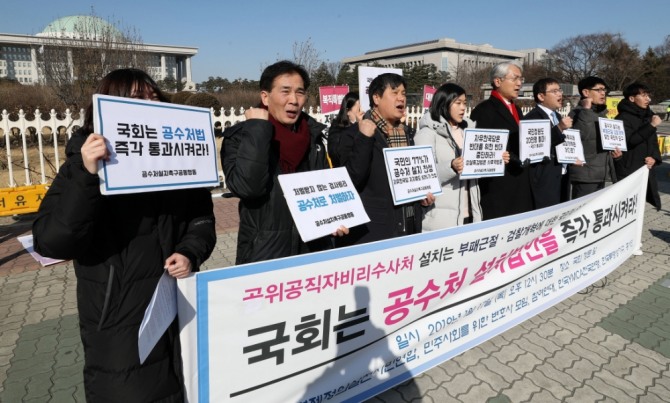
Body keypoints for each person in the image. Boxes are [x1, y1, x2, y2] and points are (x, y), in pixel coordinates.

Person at [32, 68, 216, 402]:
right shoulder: (82, 165)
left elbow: (201, 220)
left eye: (152, 95)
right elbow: (53, 241)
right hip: (118, 315)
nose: (149, 102)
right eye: (135, 97)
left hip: (176, 301)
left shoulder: (180, 160)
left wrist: (190, 251)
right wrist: (88, 175)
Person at [221, 60, 347, 264]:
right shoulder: (241, 137)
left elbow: (325, 190)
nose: (294, 100)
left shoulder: (314, 137)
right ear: (265, 96)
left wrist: (334, 219)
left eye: (300, 92)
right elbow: (247, 188)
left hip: (313, 250)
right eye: (285, 91)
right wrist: (257, 130)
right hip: (264, 252)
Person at [332, 73, 435, 245]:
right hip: (372, 233)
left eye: (403, 93)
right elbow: (350, 181)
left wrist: (422, 198)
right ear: (376, 98)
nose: (401, 98)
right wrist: (364, 139)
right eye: (394, 93)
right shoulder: (353, 134)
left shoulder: (409, 133)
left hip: (408, 228)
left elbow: (411, 181)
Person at [415, 83, 510, 230]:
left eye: (465, 103)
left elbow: (477, 167)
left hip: (471, 214)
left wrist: (496, 159)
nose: (463, 108)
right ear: (443, 103)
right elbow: (422, 176)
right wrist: (451, 166)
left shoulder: (470, 132)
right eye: (457, 103)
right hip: (441, 220)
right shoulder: (427, 133)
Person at [470, 61, 533, 220]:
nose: (519, 84)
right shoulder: (484, 110)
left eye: (521, 79)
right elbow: (479, 150)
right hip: (497, 186)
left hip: (520, 180)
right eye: (514, 79)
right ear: (498, 81)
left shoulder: (517, 109)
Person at [568, 76, 623, 199]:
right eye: (598, 90)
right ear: (586, 92)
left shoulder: (601, 114)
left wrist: (616, 154)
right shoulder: (577, 113)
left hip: (601, 174)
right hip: (585, 175)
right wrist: (586, 110)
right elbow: (584, 136)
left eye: (604, 90)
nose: (603, 93)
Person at [522, 78, 573, 208]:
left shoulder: (557, 116)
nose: (559, 94)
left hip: (561, 176)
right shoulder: (533, 118)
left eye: (560, 90)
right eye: (554, 91)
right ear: (541, 96)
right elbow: (536, 147)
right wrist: (559, 128)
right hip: (544, 180)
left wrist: (572, 157)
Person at [614, 82, 662, 210]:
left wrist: (654, 158)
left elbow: (652, 143)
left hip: (645, 168)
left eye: (648, 96)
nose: (648, 99)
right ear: (632, 98)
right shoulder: (623, 117)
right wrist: (651, 126)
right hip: (628, 169)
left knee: (639, 208)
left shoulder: (648, 116)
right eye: (644, 96)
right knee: (627, 207)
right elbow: (630, 141)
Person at [327, 91, 360, 166]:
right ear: (348, 111)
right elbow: (334, 154)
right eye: (359, 109)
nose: (362, 111)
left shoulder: (366, 124)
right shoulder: (337, 128)